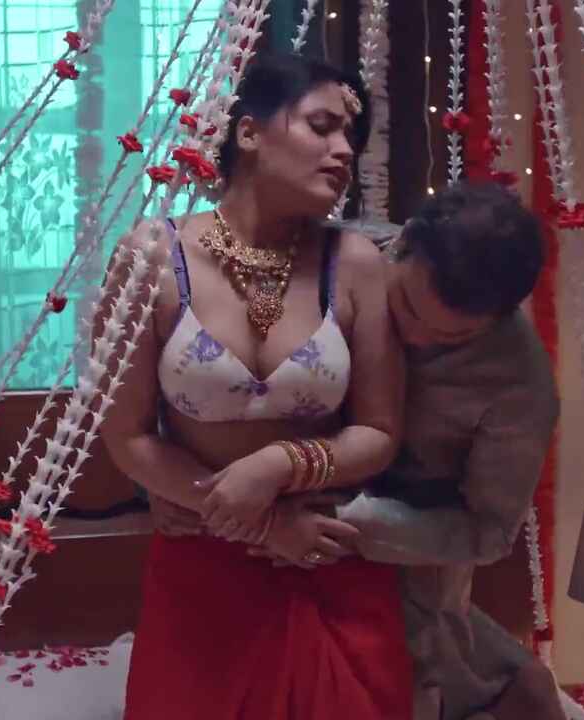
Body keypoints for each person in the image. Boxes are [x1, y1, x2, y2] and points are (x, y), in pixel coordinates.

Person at [150, 182, 566, 720]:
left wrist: (344, 524)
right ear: (402, 244)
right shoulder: (340, 256)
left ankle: (510, 685)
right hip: (251, 531)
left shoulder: (521, 385)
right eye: (407, 307)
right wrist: (172, 482)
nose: (414, 338)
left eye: (451, 339)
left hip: (402, 559)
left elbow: (489, 531)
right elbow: (195, 374)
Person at [102, 53, 412, 719]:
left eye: (351, 138)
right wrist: (263, 526)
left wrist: (280, 464)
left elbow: (381, 431)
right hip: (202, 571)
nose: (343, 151)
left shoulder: (357, 264)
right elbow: (126, 437)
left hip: (327, 559)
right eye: (322, 126)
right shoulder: (152, 258)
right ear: (249, 132)